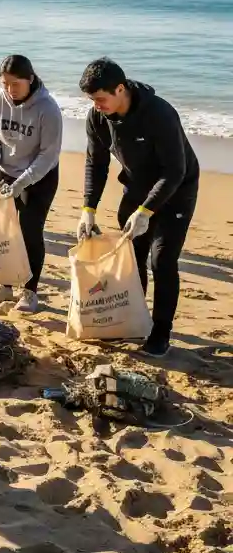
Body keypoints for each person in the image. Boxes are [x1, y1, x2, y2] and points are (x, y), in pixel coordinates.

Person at [78, 58, 200, 358]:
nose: (96, 106)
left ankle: (160, 333)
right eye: (92, 101)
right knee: (133, 259)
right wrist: (88, 209)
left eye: (101, 99)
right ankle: (135, 321)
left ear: (120, 89)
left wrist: (146, 212)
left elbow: (175, 171)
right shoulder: (97, 118)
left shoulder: (159, 114)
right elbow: (96, 163)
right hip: (136, 188)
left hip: (177, 191)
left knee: (162, 261)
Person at [0, 54, 63, 313]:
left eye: (15, 84)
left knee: (29, 232)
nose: (9, 90)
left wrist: (21, 184)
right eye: (4, 83)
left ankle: (29, 291)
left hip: (39, 177)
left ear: (30, 79)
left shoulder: (48, 109)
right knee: (3, 231)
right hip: (6, 174)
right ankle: (4, 287)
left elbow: (48, 155)